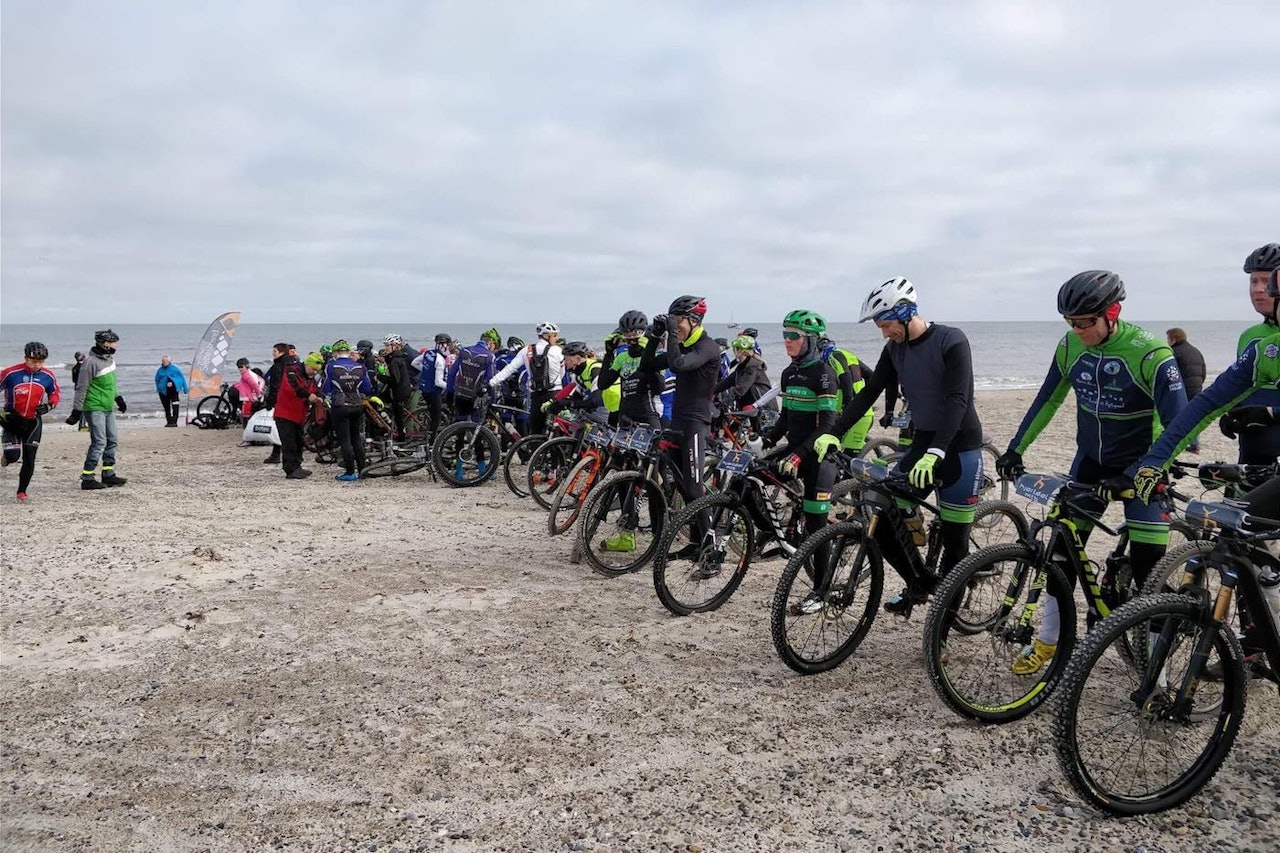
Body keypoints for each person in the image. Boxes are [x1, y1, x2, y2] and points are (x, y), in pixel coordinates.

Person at [997, 270, 1187, 674]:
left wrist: (1140, 472)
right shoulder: (1069, 346)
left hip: (1144, 469)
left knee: (1147, 569)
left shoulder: (1151, 353)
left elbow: (1178, 427)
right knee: (1060, 555)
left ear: (1112, 312)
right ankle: (1049, 642)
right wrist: (1016, 448)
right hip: (1090, 462)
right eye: (1070, 322)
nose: (1077, 329)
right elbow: (1047, 400)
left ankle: (1158, 672)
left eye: (1085, 322)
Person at [814, 277, 985, 615]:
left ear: (906, 313)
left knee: (955, 546)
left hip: (959, 447)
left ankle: (943, 637)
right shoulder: (894, 348)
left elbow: (957, 400)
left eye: (887, 324)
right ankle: (918, 580)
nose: (883, 333)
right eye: (879, 326)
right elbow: (869, 392)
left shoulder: (952, 340)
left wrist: (937, 451)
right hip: (923, 443)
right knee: (879, 505)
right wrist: (835, 430)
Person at [762, 311, 839, 612]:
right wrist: (768, 438)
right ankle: (777, 534)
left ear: (810, 339)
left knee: (817, 526)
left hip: (819, 455)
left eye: (793, 336)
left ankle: (821, 591)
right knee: (750, 476)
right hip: (795, 448)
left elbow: (827, 425)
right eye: (784, 335)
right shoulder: (788, 373)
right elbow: (785, 417)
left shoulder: (823, 373)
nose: (787, 341)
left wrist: (797, 454)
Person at [646, 296, 720, 564]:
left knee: (695, 488)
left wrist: (672, 335)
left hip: (695, 426)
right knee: (683, 488)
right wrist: (655, 337)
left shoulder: (707, 347)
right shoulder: (685, 345)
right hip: (677, 423)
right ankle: (695, 542)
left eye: (677, 320)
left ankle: (712, 554)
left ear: (694, 320)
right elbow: (647, 366)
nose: (674, 325)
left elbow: (678, 365)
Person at [1221, 243, 1280, 464]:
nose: (1257, 289)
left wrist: (1271, 413)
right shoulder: (1250, 336)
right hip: (1252, 450)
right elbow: (1240, 386)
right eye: (1253, 281)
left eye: (1266, 281)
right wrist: (1232, 411)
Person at [65, 329, 128, 490]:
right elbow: (81, 388)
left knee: (112, 440)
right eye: (114, 343)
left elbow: (111, 384)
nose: (116, 346)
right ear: (105, 344)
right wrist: (76, 412)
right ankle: (87, 478)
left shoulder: (110, 360)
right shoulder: (90, 363)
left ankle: (108, 474)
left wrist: (118, 398)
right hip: (94, 408)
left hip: (108, 407)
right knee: (99, 442)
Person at [2, 342, 60, 501]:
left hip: (33, 421)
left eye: (41, 362)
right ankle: (7, 458)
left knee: (29, 457)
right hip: (12, 419)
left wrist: (49, 405)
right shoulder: (10, 373)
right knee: (13, 456)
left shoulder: (48, 376)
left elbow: (55, 393)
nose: (37, 365)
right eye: (34, 362)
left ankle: (21, 491)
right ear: (25, 358)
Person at [490, 323, 563, 437]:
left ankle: (535, 452)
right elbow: (563, 373)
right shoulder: (557, 351)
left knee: (535, 431)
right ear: (546, 336)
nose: (556, 338)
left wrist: (491, 382)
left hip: (536, 395)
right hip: (555, 393)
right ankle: (558, 452)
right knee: (557, 429)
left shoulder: (527, 350)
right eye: (554, 335)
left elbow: (509, 369)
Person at [448, 329, 501, 476]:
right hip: (476, 398)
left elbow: (452, 373)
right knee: (477, 432)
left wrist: (449, 392)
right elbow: (491, 381)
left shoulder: (464, 351)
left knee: (459, 432)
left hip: (459, 395)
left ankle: (458, 470)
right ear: (489, 343)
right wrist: (493, 400)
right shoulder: (489, 356)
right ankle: (482, 469)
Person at [323, 341, 373, 481]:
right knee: (356, 438)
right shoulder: (360, 366)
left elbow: (326, 387)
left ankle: (350, 472)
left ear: (335, 353)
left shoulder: (331, 366)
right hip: (357, 405)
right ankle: (363, 470)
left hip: (340, 405)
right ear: (349, 353)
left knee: (345, 440)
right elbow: (367, 388)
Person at [263, 342, 312, 479]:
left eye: (275, 351)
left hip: (284, 406)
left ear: (281, 352)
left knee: (288, 439)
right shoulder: (296, 366)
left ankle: (291, 468)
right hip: (297, 407)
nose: (273, 353)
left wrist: (270, 403)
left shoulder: (279, 366)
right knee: (296, 438)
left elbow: (275, 386)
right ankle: (295, 466)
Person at [1166, 327, 1207, 453]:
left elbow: (1170, 372)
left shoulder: (1173, 352)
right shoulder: (1196, 351)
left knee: (1176, 416)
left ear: (1173, 339)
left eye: (1168, 338)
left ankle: (1174, 443)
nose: (1167, 341)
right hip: (1196, 387)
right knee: (1192, 416)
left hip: (1181, 388)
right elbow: (1203, 370)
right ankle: (1194, 444)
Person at [715, 335, 774, 410]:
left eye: (735, 349)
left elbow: (740, 389)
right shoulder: (742, 367)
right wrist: (711, 392)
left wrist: (724, 401)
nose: (734, 352)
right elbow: (726, 382)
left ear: (740, 351)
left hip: (764, 409)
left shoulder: (753, 367)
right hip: (750, 406)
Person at [413, 334, 453, 437]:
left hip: (424, 389)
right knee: (436, 418)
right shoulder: (440, 359)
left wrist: (427, 372)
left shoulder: (428, 352)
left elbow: (414, 363)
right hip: (434, 392)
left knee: (431, 414)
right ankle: (432, 443)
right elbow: (438, 382)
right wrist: (451, 387)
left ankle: (429, 438)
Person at [153, 355, 188, 427]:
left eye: (164, 361)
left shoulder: (174, 369)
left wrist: (185, 389)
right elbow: (157, 379)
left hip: (173, 391)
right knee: (166, 408)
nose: (162, 362)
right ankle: (169, 422)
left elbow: (181, 378)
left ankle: (174, 422)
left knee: (175, 406)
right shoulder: (160, 370)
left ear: (169, 361)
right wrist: (158, 388)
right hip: (163, 392)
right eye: (162, 361)